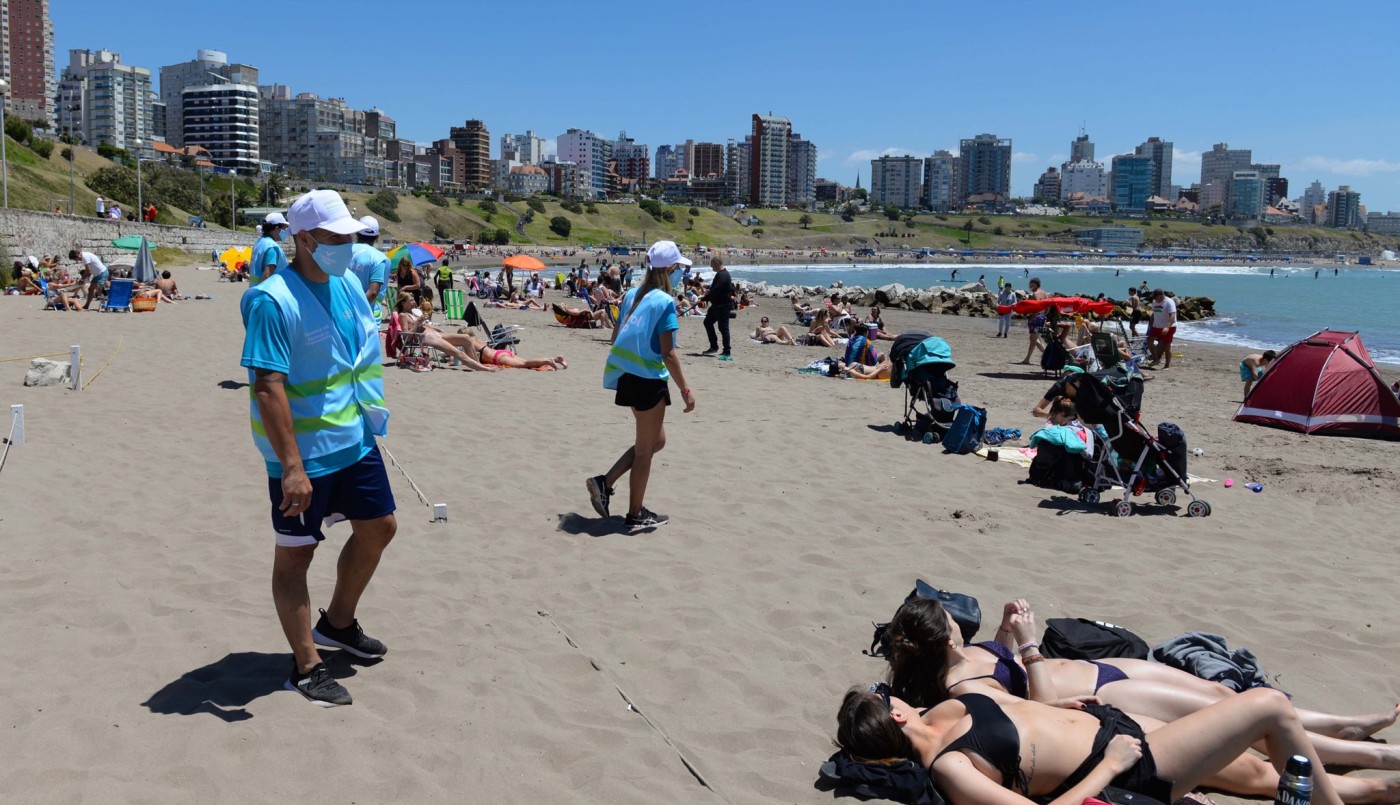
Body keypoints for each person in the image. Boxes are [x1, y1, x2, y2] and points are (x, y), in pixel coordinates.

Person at [877, 598, 1400, 785]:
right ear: (946, 637)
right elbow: (1031, 704)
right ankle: (1356, 748)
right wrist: (1031, 644)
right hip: (1113, 700)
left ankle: (1332, 724)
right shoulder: (961, 682)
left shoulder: (970, 660)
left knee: (1221, 698)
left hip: (1109, 670)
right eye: (951, 617)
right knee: (1237, 717)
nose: (957, 616)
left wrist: (1008, 627)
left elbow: (1004, 666)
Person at [239, 189, 396, 707]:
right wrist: (290, 468)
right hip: (303, 456)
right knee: (296, 558)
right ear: (303, 239)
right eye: (337, 236)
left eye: (351, 235)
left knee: (380, 528)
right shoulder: (272, 299)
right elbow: (267, 385)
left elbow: (351, 356)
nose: (348, 244)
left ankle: (339, 623)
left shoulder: (347, 281)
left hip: (353, 439)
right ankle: (306, 666)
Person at [587, 240, 695, 531]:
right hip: (649, 380)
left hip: (627, 377)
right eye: (680, 269)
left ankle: (605, 482)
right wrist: (686, 391)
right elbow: (668, 353)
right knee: (646, 450)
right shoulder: (664, 301)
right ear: (670, 268)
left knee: (655, 441)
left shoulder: (633, 293)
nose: (681, 275)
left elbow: (616, 336)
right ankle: (635, 514)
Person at [348, 216, 390, 309]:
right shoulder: (380, 258)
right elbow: (374, 292)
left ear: (357, 233)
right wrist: (354, 310)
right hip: (365, 313)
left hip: (339, 307)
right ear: (377, 237)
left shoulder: (344, 250)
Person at [701, 256, 734, 358]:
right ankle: (714, 346)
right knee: (707, 322)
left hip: (723, 306)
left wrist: (704, 298)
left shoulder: (723, 275)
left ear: (716, 263)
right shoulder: (720, 274)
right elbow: (714, 289)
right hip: (716, 305)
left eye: (712, 264)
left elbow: (716, 290)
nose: (711, 266)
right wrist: (706, 296)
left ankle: (727, 351)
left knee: (723, 328)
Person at [250, 212, 290, 285]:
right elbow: (267, 275)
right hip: (267, 292)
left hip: (254, 287)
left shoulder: (260, 242)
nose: (285, 232)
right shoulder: (272, 247)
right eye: (284, 229)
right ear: (277, 228)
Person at [1018, 278, 1050, 364]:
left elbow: (1036, 308)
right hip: (1042, 317)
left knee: (1033, 339)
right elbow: (1048, 307)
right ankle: (1045, 353)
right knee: (1034, 338)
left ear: (1036, 284)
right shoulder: (1045, 293)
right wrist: (1044, 315)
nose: (1030, 286)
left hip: (1036, 318)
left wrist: (1033, 317)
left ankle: (1027, 359)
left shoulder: (1035, 294)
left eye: (1031, 284)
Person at [1144, 289, 1177, 369]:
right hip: (1156, 326)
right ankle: (1156, 360)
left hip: (1169, 327)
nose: (1154, 299)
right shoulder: (1154, 302)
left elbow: (1172, 316)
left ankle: (1167, 365)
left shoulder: (1169, 302)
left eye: (1155, 297)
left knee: (1167, 346)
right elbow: (1154, 313)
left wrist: (1167, 327)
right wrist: (1150, 325)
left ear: (1160, 296)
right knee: (1149, 340)